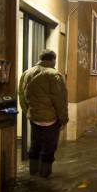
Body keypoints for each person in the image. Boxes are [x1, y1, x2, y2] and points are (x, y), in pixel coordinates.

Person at [19, 49, 68, 178]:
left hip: (34, 117)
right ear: (52, 60)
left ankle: (32, 174)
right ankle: (44, 176)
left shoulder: (27, 73)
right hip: (51, 119)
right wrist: (63, 119)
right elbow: (60, 100)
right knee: (49, 148)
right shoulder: (54, 75)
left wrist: (28, 112)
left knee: (35, 145)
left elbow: (21, 95)